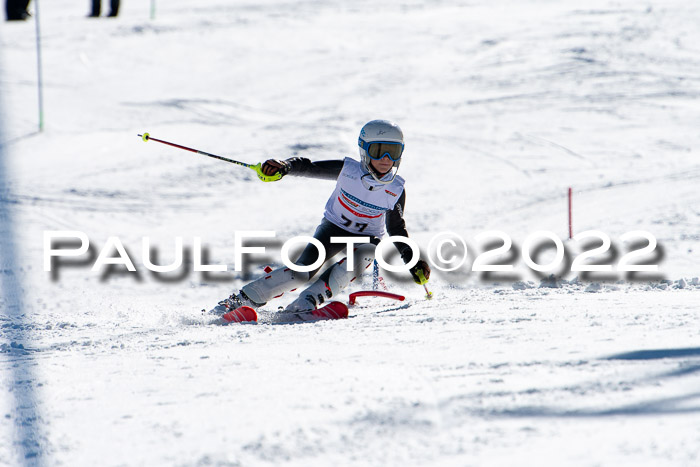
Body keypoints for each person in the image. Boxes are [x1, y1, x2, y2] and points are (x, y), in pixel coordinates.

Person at [210, 120, 431, 316]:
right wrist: (285, 166)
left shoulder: (395, 189)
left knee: (369, 251)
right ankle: (239, 301)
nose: (385, 159)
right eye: (378, 151)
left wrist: (413, 261)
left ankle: (306, 302)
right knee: (301, 272)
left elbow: (397, 229)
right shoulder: (348, 171)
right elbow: (308, 167)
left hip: (367, 238)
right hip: (333, 229)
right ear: (364, 150)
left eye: (393, 152)